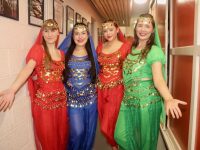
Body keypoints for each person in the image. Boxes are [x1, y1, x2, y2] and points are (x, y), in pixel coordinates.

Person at [114, 13, 187, 150]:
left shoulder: (154, 51)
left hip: (147, 103)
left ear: (152, 30)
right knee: (120, 136)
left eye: (147, 26)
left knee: (146, 143)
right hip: (128, 101)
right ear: (136, 28)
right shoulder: (132, 50)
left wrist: (168, 98)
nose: (143, 29)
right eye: (140, 25)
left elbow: (158, 79)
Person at [0, 19, 68, 150]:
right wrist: (12, 90)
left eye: (53, 30)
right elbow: (28, 69)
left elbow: (60, 76)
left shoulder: (62, 54)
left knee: (61, 137)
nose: (49, 34)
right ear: (42, 33)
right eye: (46, 31)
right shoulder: (38, 50)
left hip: (61, 103)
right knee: (48, 140)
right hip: (44, 105)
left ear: (58, 32)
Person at [59, 22, 99, 150]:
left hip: (91, 100)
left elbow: (98, 73)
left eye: (83, 33)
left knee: (89, 132)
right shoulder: (65, 53)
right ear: (72, 36)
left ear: (88, 35)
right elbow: (57, 71)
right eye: (77, 33)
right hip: (73, 101)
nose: (80, 36)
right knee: (77, 132)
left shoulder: (92, 54)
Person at [96, 20, 132, 150]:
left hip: (117, 90)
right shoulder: (100, 47)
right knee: (106, 123)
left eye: (111, 30)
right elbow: (95, 67)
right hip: (100, 90)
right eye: (105, 31)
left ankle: (117, 145)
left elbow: (131, 70)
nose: (108, 33)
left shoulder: (126, 47)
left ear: (117, 30)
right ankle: (114, 147)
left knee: (108, 126)